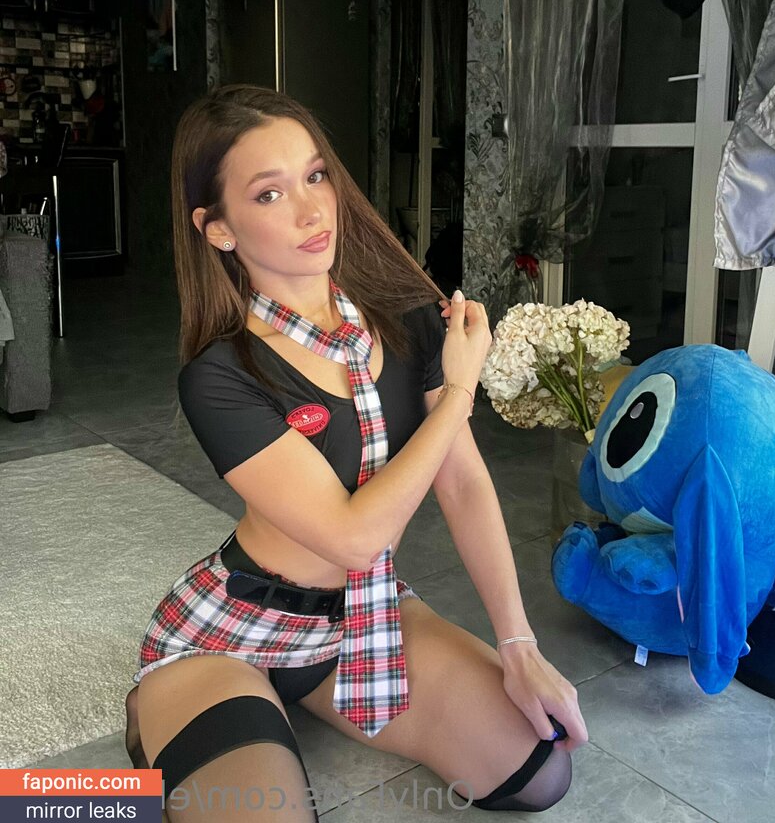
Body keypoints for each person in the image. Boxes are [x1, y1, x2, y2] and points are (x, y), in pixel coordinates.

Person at [125, 84, 587, 820]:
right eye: (269, 194)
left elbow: (463, 483)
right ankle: (157, 729)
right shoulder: (221, 375)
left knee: (540, 771)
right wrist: (460, 392)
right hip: (233, 630)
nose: (312, 210)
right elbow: (353, 536)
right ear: (217, 229)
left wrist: (518, 643)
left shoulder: (409, 322)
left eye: (315, 176)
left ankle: (284, 708)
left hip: (361, 616)